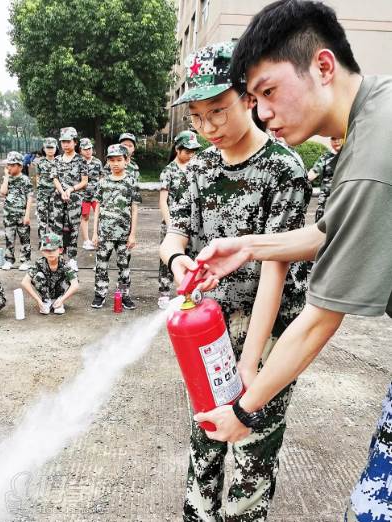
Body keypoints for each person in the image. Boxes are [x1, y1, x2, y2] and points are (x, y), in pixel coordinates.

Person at [191, 3, 392, 522]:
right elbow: (329, 230)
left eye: (269, 92)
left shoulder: (369, 162)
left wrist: (242, 408)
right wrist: (251, 246)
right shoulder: (375, 113)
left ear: (323, 66)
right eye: (254, 99)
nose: (262, 113)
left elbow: (319, 319)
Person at [160, 41, 311, 521]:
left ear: (247, 97)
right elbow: (174, 234)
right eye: (198, 118)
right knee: (204, 439)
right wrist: (177, 259)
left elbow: (276, 266)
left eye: (218, 111)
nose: (208, 128)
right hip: (207, 330)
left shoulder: (283, 169)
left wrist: (251, 364)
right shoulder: (197, 169)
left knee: (250, 449)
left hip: (264, 334)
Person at [91, 144, 139, 310]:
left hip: (124, 234)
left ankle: (124, 295)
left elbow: (134, 208)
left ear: (127, 161)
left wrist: (132, 234)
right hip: (104, 233)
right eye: (112, 160)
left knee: (124, 267)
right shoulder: (103, 183)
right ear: (107, 162)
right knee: (101, 266)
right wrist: (95, 232)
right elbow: (97, 207)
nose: (115, 163)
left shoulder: (131, 182)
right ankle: (100, 294)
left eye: (119, 159)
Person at [158, 130, 201, 309]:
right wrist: (171, 226)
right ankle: (164, 293)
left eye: (193, 151)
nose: (191, 155)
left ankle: (188, 292)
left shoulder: (197, 169)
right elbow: (163, 201)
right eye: (187, 151)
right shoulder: (169, 171)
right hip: (172, 224)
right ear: (177, 149)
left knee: (191, 259)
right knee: (168, 260)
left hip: (193, 224)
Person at [52, 127, 88, 272]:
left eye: (68, 142)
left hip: (74, 199)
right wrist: (62, 192)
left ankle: (72, 259)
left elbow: (84, 181)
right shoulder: (57, 160)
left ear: (75, 142)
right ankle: (58, 259)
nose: (65, 145)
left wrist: (70, 189)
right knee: (57, 228)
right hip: (59, 198)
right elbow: (54, 178)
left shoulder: (81, 160)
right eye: (63, 142)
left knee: (73, 229)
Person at [21, 232, 79, 315]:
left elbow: (75, 285)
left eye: (53, 250)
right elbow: (25, 282)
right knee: (38, 276)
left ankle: (58, 301)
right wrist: (38, 300)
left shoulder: (65, 264)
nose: (50, 253)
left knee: (71, 278)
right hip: (46, 293)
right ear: (42, 251)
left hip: (60, 293)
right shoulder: (40, 263)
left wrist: (62, 299)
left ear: (60, 250)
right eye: (47, 250)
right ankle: (46, 301)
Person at [0, 151, 33, 271]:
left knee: (24, 238)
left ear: (20, 166)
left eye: (12, 165)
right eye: (8, 164)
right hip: (8, 214)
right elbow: (3, 192)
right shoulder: (7, 178)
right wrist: (7, 177)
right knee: (9, 238)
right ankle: (9, 260)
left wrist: (27, 215)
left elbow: (29, 198)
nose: (9, 167)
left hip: (21, 214)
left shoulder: (25, 179)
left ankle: (26, 260)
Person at [308, 136, 343, 221]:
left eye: (339, 138)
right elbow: (312, 173)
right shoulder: (325, 158)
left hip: (344, 202)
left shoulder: (351, 156)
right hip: (326, 204)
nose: (336, 141)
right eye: (333, 138)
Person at [79, 138, 103, 251]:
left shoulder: (97, 162)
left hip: (96, 195)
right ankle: (86, 240)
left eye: (90, 148)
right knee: (85, 216)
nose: (88, 151)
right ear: (81, 150)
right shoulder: (79, 162)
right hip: (83, 195)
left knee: (99, 216)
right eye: (85, 149)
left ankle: (98, 238)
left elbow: (102, 177)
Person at [36, 137, 58, 243]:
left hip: (55, 194)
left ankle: (52, 243)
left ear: (56, 148)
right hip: (42, 195)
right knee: (42, 220)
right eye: (47, 147)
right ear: (44, 149)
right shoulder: (40, 162)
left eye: (52, 147)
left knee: (54, 219)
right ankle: (43, 242)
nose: (50, 150)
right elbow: (37, 176)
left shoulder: (59, 161)